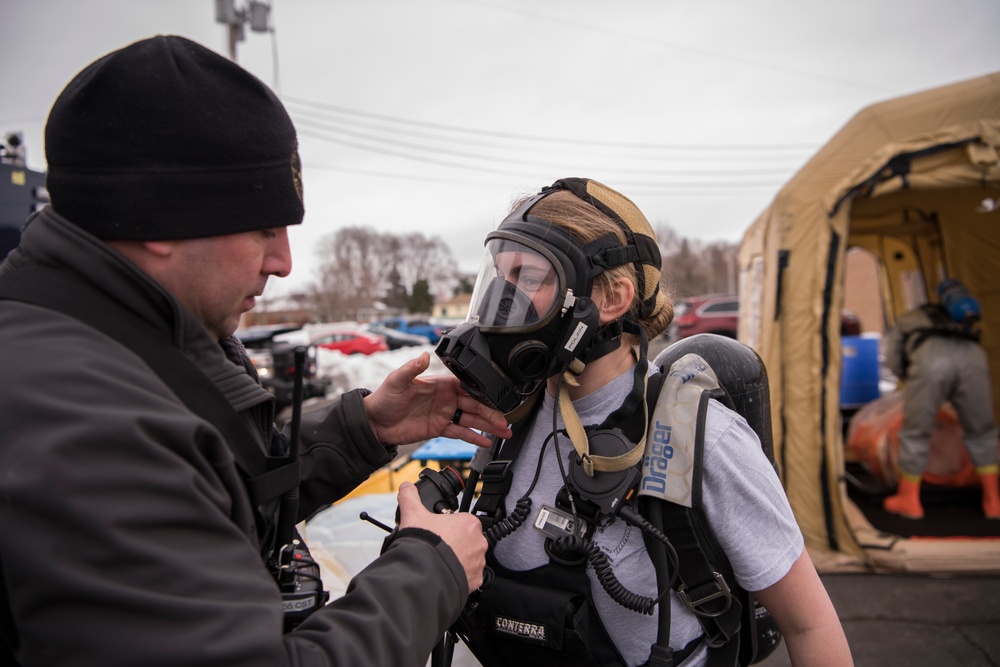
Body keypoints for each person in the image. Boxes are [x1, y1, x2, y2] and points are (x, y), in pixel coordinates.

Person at [0, 35, 512, 667]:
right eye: (265, 227)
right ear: (159, 216)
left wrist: (364, 427)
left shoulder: (102, 343)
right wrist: (431, 571)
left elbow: (203, 486)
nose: (283, 262)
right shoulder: (81, 420)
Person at [435, 178, 852, 666]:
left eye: (530, 279)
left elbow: (811, 626)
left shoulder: (707, 441)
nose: (502, 306)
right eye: (500, 280)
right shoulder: (511, 423)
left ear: (611, 300)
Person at [883, 279, 1000, 520]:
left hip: (929, 362)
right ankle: (993, 500)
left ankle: (909, 500)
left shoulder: (912, 317)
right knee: (982, 431)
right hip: (973, 360)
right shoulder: (962, 321)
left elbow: (893, 359)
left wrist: (908, 378)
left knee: (916, 432)